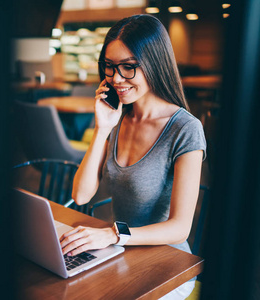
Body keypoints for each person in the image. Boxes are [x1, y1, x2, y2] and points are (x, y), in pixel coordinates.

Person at [59, 14, 206, 299]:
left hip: (168, 265)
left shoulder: (186, 129)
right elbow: (80, 195)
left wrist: (114, 234)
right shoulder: (117, 117)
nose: (116, 79)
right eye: (110, 67)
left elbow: (180, 228)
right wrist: (102, 129)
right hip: (122, 254)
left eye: (129, 67)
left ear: (154, 63)